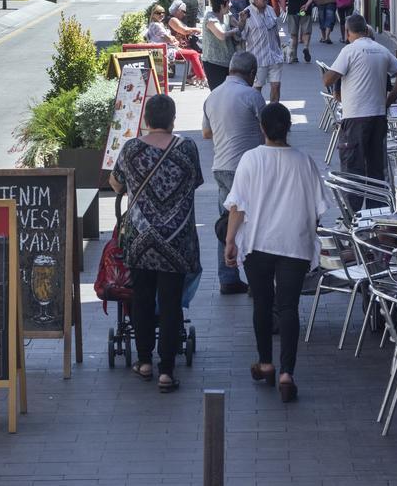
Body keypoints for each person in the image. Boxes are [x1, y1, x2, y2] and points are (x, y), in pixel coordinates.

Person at [224, 102, 330, 403]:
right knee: (288, 307)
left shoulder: (250, 159)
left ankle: (266, 363)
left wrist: (230, 241)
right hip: (294, 244)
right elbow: (318, 209)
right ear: (289, 128)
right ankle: (287, 373)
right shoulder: (305, 162)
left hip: (258, 243)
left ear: (262, 129)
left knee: (262, 304)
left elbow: (237, 207)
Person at [109, 94, 202, 394]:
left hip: (140, 238)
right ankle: (166, 370)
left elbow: (116, 184)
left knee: (142, 298)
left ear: (146, 120)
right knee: (171, 302)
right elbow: (195, 182)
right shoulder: (187, 148)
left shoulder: (132, 148)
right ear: (173, 119)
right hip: (177, 240)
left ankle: (145, 361)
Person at [323, 14, 397, 190]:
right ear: (365, 29)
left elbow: (328, 80)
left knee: (353, 168)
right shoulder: (381, 49)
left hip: (355, 117)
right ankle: (376, 211)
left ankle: (354, 213)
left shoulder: (349, 50)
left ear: (347, 32)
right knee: (376, 169)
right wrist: (388, 101)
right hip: (378, 117)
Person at [203, 51, 264, 295]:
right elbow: (267, 128)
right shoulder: (253, 96)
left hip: (221, 167)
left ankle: (228, 278)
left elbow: (206, 134)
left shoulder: (212, 96)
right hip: (248, 168)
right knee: (253, 222)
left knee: (225, 223)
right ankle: (255, 279)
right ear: (252, 74)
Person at [237, 0, 283, 103]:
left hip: (274, 56)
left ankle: (274, 114)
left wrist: (280, 49)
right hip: (258, 58)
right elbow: (240, 36)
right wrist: (241, 22)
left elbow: (276, 32)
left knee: (276, 86)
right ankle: (256, 114)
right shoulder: (246, 14)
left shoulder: (270, 10)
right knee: (256, 89)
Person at [146, 4, 205, 84]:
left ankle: (197, 77)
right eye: (158, 13)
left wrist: (173, 40)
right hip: (166, 51)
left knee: (195, 54)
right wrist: (173, 40)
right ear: (153, 14)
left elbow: (169, 38)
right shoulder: (156, 25)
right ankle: (202, 78)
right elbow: (171, 38)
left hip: (167, 49)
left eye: (163, 12)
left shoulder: (158, 24)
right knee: (194, 54)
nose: (161, 14)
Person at [200, 0, 240, 88]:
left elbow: (239, 26)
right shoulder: (210, 18)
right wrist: (234, 31)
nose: (231, 5)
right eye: (229, 3)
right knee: (218, 93)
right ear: (222, 5)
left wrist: (242, 20)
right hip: (214, 62)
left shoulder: (227, 15)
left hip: (229, 61)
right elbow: (221, 35)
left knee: (230, 92)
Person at [284, 0, 317, 64]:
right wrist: (307, 4)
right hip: (304, 9)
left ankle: (294, 56)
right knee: (306, 30)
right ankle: (306, 47)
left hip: (293, 9)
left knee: (294, 33)